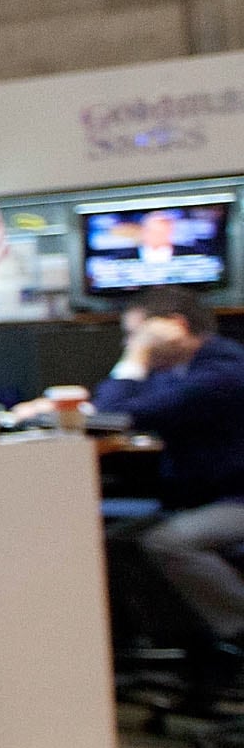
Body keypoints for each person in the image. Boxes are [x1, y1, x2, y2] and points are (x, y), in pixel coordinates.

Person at [95, 287, 244, 717]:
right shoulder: (183, 371)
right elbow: (113, 408)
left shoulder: (222, 375)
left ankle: (233, 633)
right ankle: (193, 645)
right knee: (118, 541)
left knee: (168, 543)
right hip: (204, 498)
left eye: (136, 335)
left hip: (235, 501)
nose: (131, 346)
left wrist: (138, 356)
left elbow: (116, 416)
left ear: (173, 328)